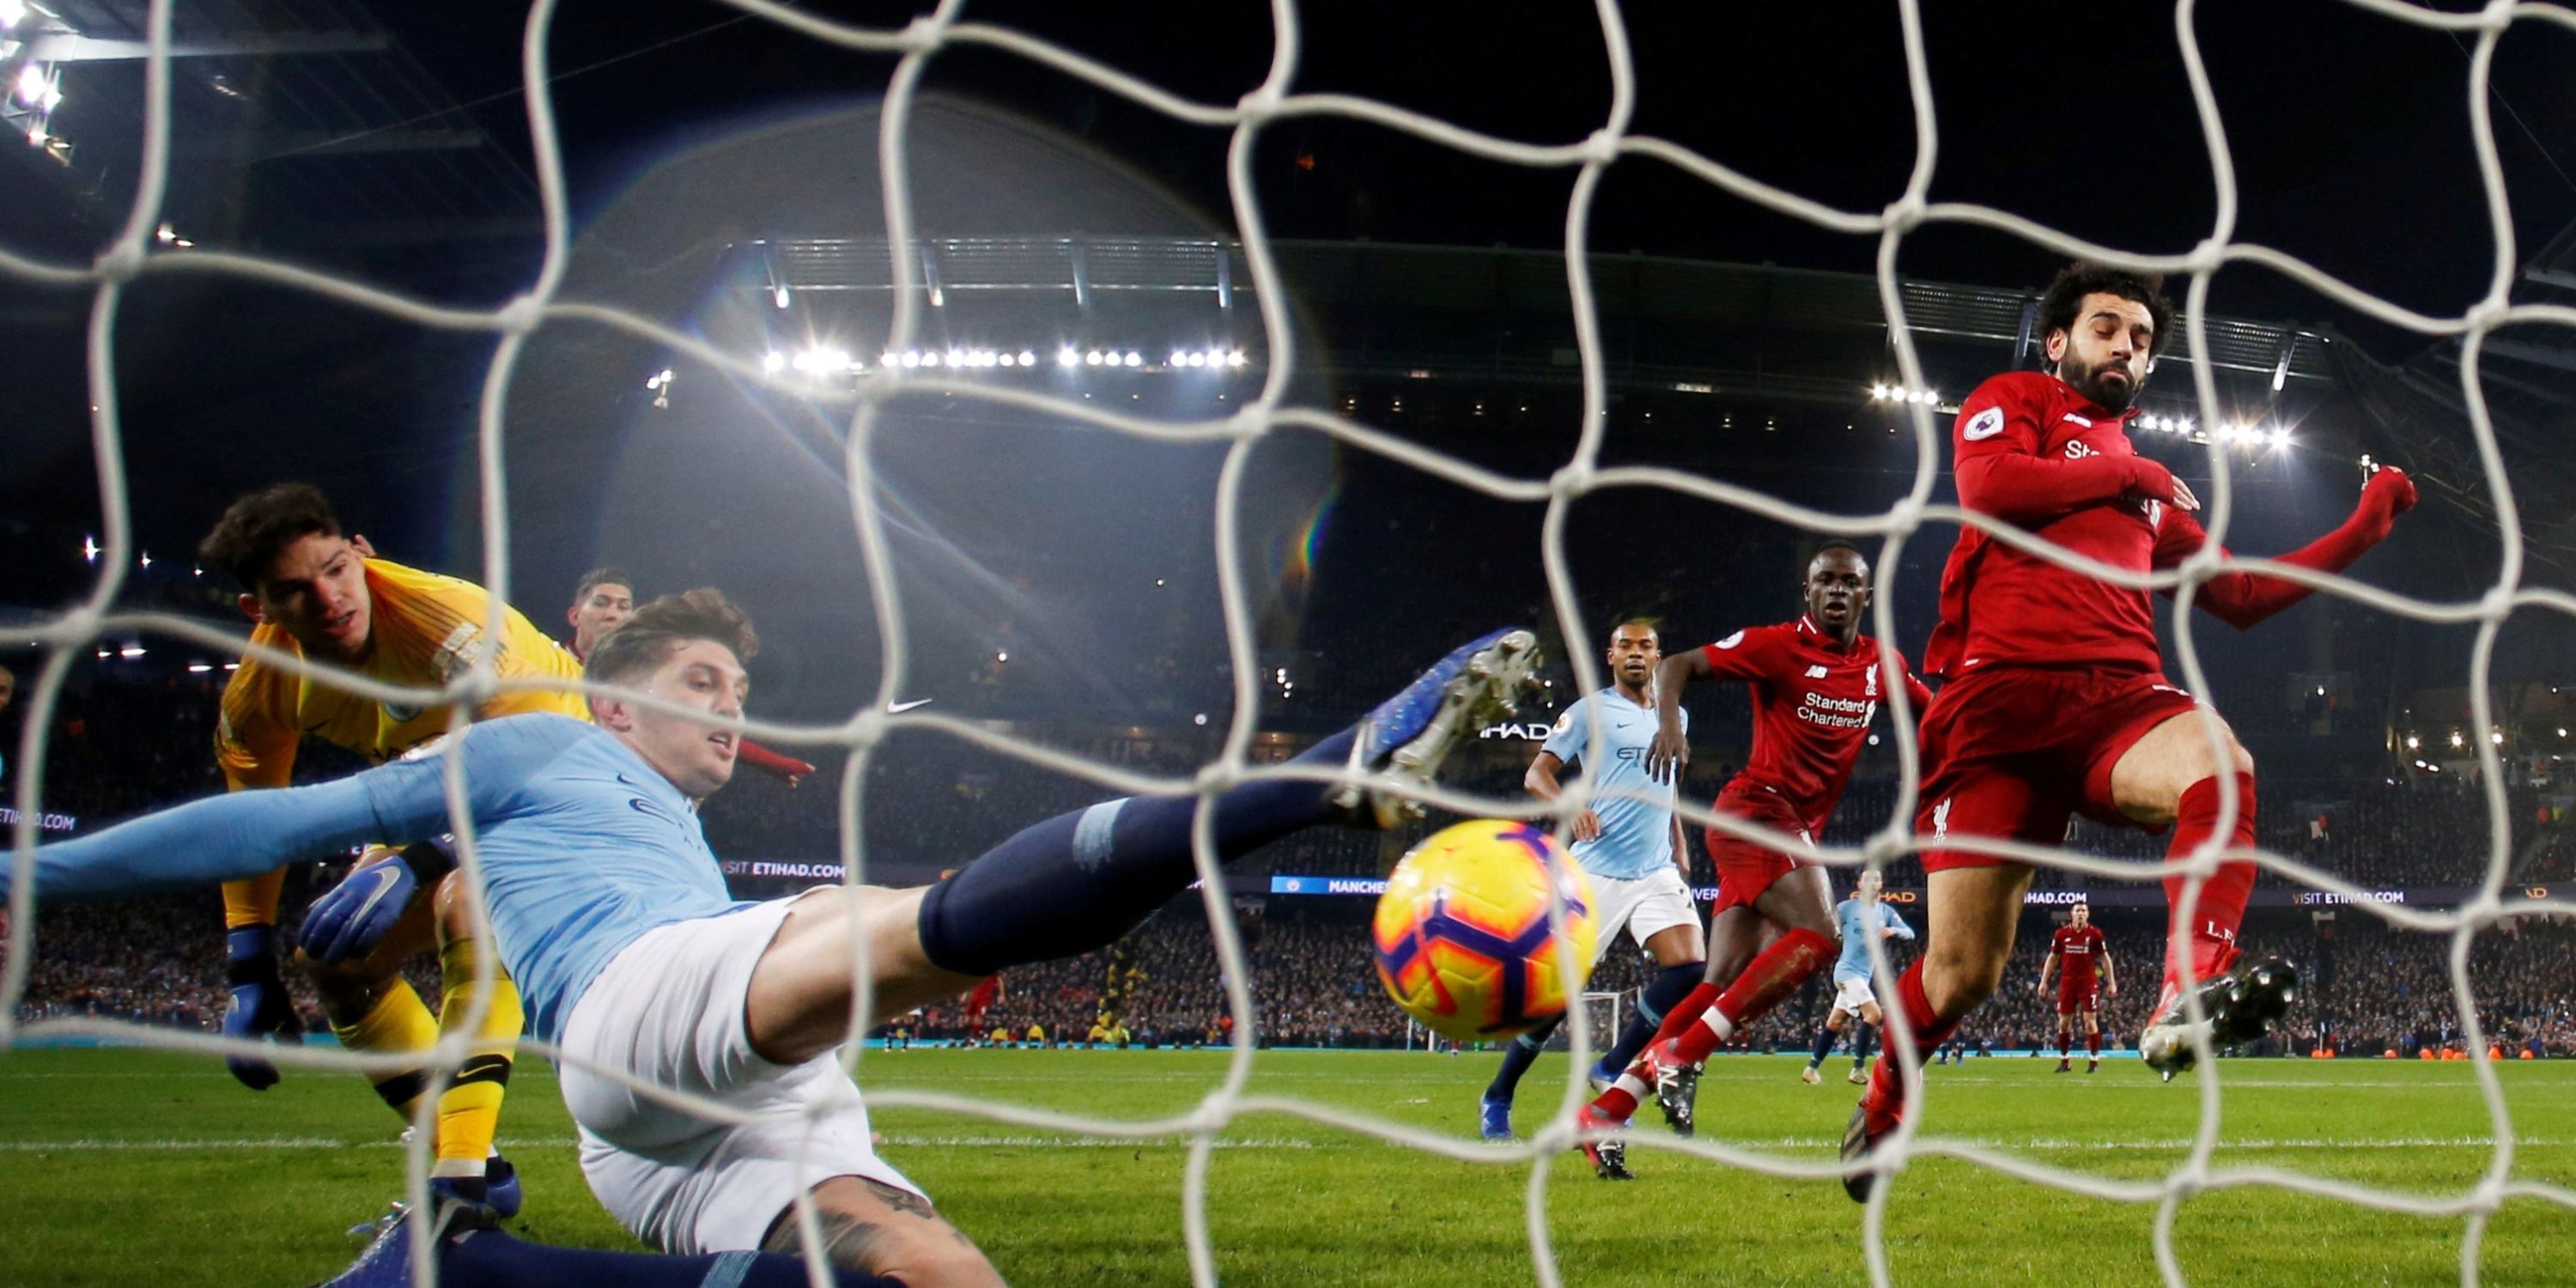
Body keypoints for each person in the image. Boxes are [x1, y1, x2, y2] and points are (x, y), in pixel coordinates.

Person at [22, 591, 1540, 1285]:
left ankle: (466, 1273)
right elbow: (262, 826)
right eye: (701, 677)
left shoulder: (646, 816)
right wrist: (49, 866)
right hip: (638, 1019)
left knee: (926, 1275)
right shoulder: (541, 747)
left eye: (739, 687)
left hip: (682, 1128)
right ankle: (1314, 778)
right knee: (861, 932)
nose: (731, 706)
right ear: (612, 701)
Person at [1841, 262, 2419, 1200]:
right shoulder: (2014, 399)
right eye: (2108, 327)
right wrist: (2130, 467)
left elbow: (2237, 595)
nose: (2127, 347)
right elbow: (1990, 492)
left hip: (2119, 698)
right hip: (1998, 709)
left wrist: (2362, 527)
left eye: (2143, 339)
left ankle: (2185, 993)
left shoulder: (2152, 492)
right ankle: (1884, 1100)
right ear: (2059, 340)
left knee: (2223, 767)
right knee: (1961, 976)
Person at [199, 483, 592, 1212]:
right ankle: (476, 1173)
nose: (327, 599)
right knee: (335, 963)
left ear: (361, 553)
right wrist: (248, 962)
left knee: (465, 903)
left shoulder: (454, 625)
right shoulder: (263, 690)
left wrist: (414, 862)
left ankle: (461, 1178)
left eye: (335, 570)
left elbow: (526, 761)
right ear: (259, 612)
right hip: (436, 792)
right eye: (293, 590)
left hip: (571, 772)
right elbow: (253, 818)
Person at [1573, 544, 1930, 1179]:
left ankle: (1606, 1111)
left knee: (1718, 980)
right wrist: (1670, 726)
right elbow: (1679, 664)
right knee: (1820, 936)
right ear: (1808, 591)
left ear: (1867, 596)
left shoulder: (1882, 666)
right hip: (1755, 813)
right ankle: (1683, 1055)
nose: (1838, 591)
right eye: (1826, 581)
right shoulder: (1777, 646)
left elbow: (1936, 721)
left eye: (1851, 583)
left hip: (1790, 831)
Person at [1479, 620, 1704, 1142]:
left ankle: (1613, 1064)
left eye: (1645, 646)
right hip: (1595, 872)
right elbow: (1536, 774)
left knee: (1691, 965)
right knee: (1556, 998)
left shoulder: (1677, 716)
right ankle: (1499, 1094)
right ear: (1610, 656)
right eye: (1625, 645)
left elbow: (1667, 781)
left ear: (1658, 657)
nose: (1635, 653)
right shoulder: (1588, 712)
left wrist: (1679, 837)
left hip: (1654, 870)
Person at [567, 567, 814, 787]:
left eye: (623, 606)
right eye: (601, 603)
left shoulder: (646, 680)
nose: (613, 614)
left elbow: (695, 724)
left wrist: (773, 762)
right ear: (575, 616)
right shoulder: (545, 661)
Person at [1801, 870, 1914, 1086]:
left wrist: (1893, 930)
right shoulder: (1847, 908)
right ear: (1860, 885)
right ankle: (1858, 1069)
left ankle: (1811, 1068)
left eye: (1877, 879)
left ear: (1881, 884)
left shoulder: (1885, 912)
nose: (1872, 884)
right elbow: (1825, 923)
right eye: (1868, 880)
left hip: (1862, 975)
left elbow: (1909, 932)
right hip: (1846, 972)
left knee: (1835, 1023)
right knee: (1873, 1013)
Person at [2036, 901, 2117, 1073]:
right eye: (2077, 910)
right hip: (2067, 983)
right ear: (2071, 914)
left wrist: (2112, 982)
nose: (2080, 913)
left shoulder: (2094, 934)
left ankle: (2094, 1062)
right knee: (2064, 1024)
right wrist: (2044, 981)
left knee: (2089, 1023)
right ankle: (2065, 1061)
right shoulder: (2061, 934)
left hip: (2087, 983)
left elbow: (2104, 958)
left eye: (2083, 910)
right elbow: (2052, 958)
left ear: (2088, 914)